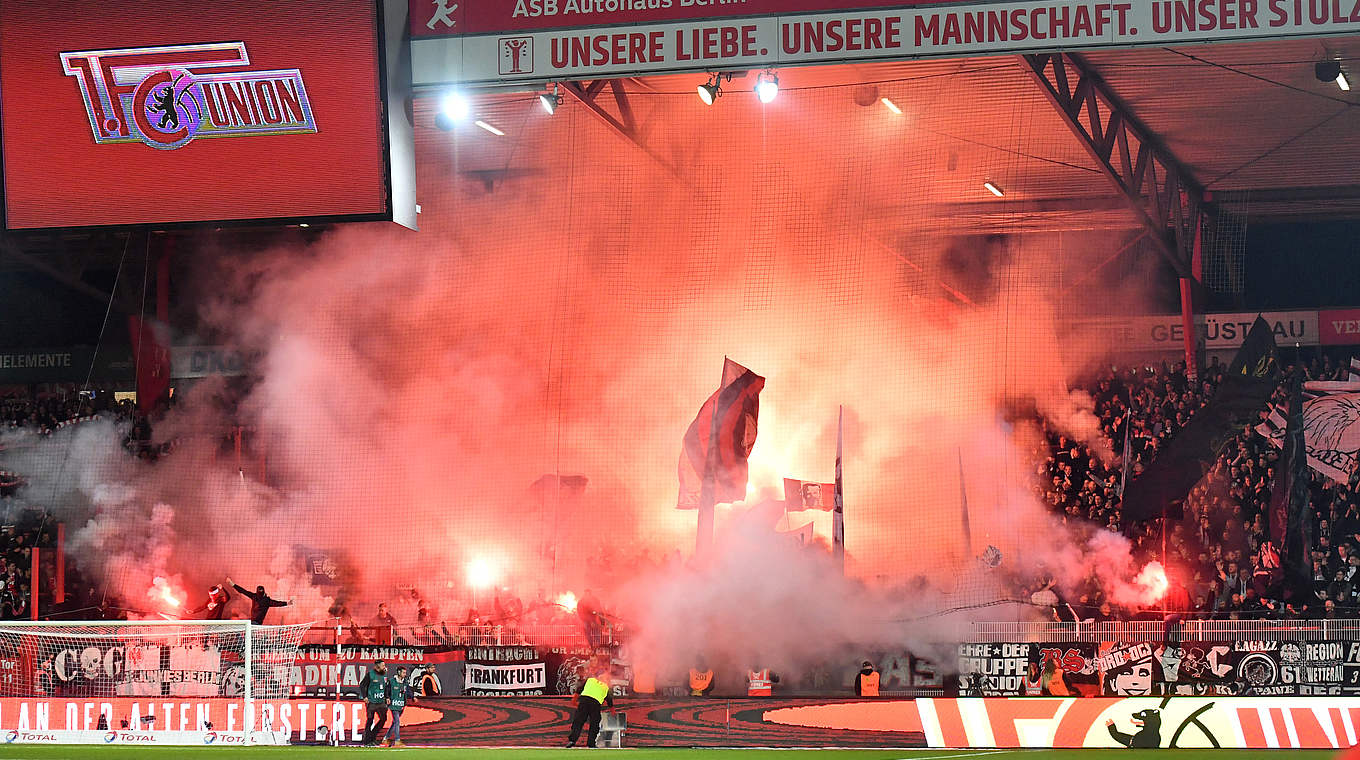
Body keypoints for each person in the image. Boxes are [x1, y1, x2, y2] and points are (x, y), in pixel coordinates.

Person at [566, 665, 613, 748]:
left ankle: (572, 740)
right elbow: (610, 701)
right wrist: (613, 711)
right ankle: (590, 743)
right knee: (594, 723)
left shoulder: (590, 680)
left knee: (578, 721)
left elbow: (579, 689)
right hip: (594, 703)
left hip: (584, 701)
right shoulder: (606, 687)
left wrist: (574, 700)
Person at [226, 577, 291, 625]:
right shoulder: (267, 600)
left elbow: (242, 591)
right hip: (255, 622)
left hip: (254, 623)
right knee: (239, 624)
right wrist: (287, 603)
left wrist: (232, 583)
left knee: (239, 626)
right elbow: (278, 603)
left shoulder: (254, 596)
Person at [381, 665, 414, 748]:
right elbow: (386, 690)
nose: (405, 674)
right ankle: (397, 740)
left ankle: (386, 738)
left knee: (394, 723)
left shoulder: (405, 682)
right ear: (399, 672)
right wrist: (387, 698)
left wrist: (413, 697)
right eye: (403, 672)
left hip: (401, 704)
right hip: (393, 704)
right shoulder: (392, 681)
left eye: (405, 673)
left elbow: (408, 691)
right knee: (397, 721)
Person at [359, 659, 390, 746]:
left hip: (381, 702)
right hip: (372, 701)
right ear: (377, 666)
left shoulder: (385, 674)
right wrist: (365, 696)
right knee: (370, 720)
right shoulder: (370, 674)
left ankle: (372, 737)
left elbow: (386, 686)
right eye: (383, 665)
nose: (384, 667)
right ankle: (367, 741)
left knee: (383, 719)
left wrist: (387, 697)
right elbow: (362, 685)